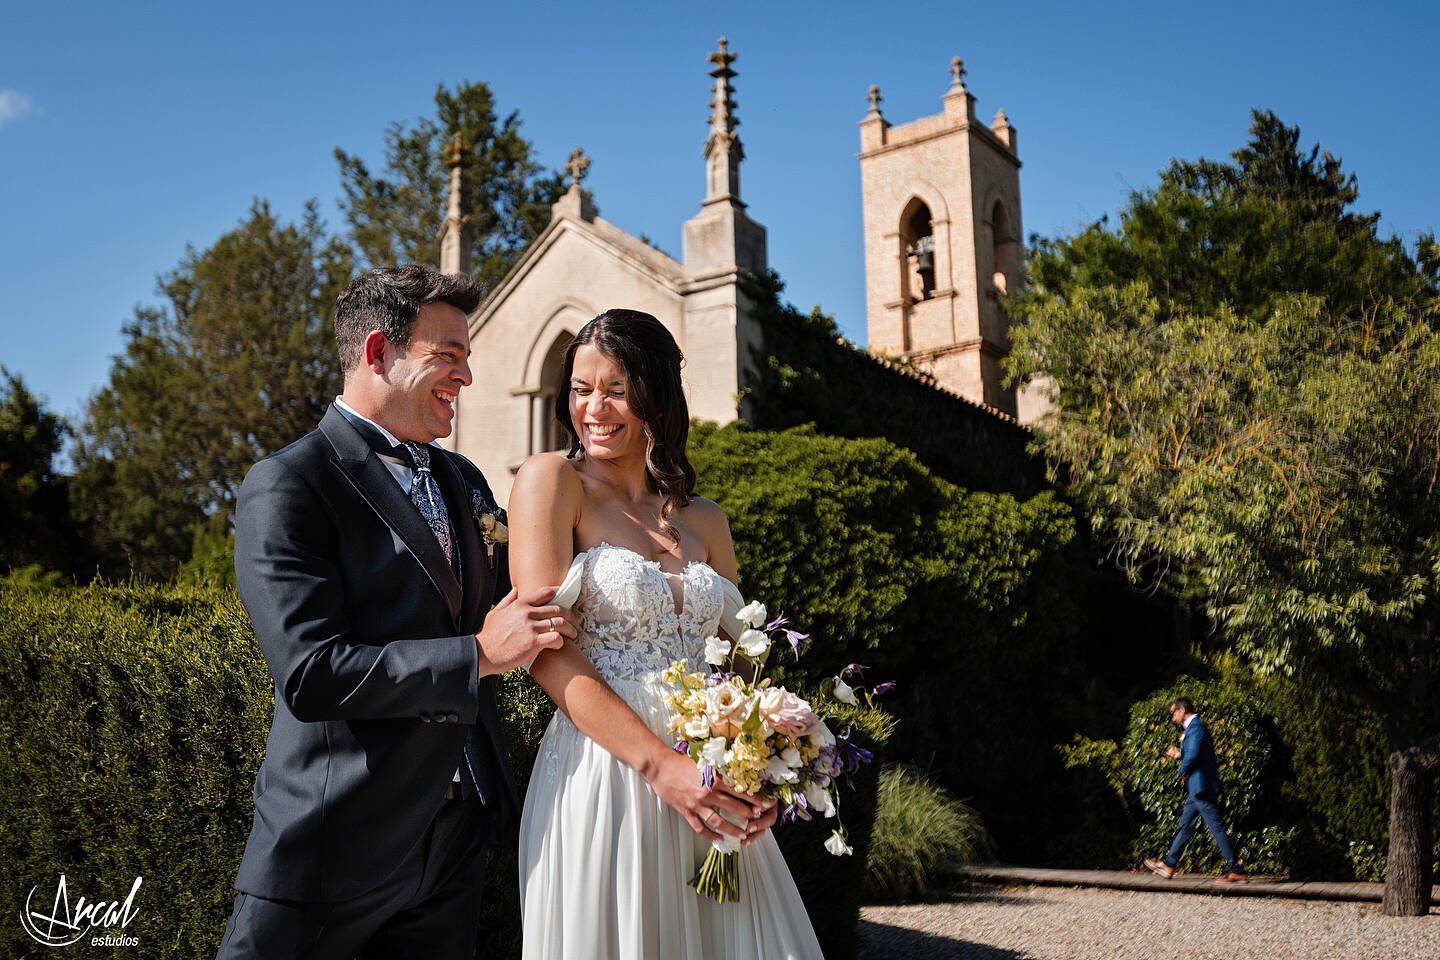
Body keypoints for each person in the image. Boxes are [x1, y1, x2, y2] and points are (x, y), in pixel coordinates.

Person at [216, 265, 577, 959]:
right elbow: (311, 673)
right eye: (449, 356)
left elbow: (529, 598)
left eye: (467, 359)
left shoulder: (463, 479)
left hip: (453, 846)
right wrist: (477, 655)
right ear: (379, 353)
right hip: (333, 845)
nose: (466, 378)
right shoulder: (290, 484)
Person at [510, 309, 826, 959]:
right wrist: (660, 765)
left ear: (656, 394)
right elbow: (544, 649)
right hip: (606, 771)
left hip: (709, 779)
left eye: (616, 390)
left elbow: (742, 658)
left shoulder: (706, 520)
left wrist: (755, 766)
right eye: (580, 389)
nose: (593, 408)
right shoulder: (552, 483)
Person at [1144, 697, 1247, 883]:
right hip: (1197, 787)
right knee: (1185, 825)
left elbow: (1192, 756)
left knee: (1216, 828)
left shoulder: (1196, 727)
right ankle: (1169, 864)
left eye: (1174, 712)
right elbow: (1193, 754)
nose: (1173, 717)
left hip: (1202, 787)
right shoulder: (1194, 728)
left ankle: (1236, 869)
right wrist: (1180, 755)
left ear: (1182, 710)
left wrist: (1183, 770)